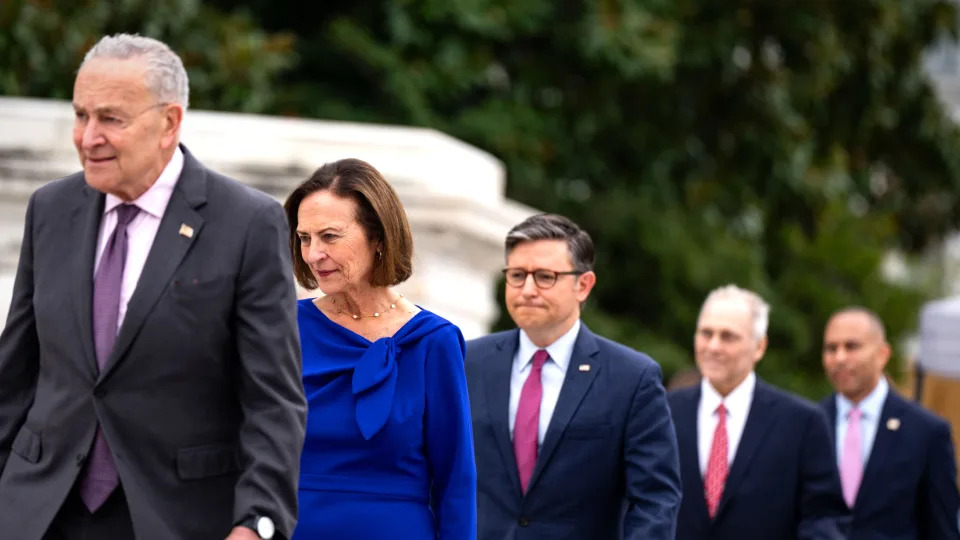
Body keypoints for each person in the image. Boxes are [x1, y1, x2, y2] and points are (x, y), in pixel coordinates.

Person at [0, 34, 306, 540]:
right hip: (36, 513)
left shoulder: (248, 224)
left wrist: (258, 521)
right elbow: (15, 374)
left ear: (169, 123)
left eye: (110, 119)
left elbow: (272, 398)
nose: (87, 137)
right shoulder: (50, 209)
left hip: (173, 517)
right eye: (81, 115)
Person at [285, 158, 476, 539]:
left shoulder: (434, 341)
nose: (313, 254)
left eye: (330, 236)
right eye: (305, 238)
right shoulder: (284, 326)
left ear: (378, 237)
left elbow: (456, 479)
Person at [465, 213, 682, 540]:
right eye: (517, 275)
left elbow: (655, 499)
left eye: (544, 277)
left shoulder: (632, 379)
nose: (527, 289)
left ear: (583, 285)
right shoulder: (468, 362)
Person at [669, 285, 848, 539]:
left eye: (728, 336)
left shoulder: (802, 423)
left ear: (759, 346)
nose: (713, 346)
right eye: (706, 333)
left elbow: (822, 518)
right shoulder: (662, 413)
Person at [820, 307, 960, 539]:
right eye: (831, 348)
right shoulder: (808, 424)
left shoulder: (926, 433)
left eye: (852, 347)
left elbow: (941, 529)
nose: (840, 358)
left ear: (882, 354)